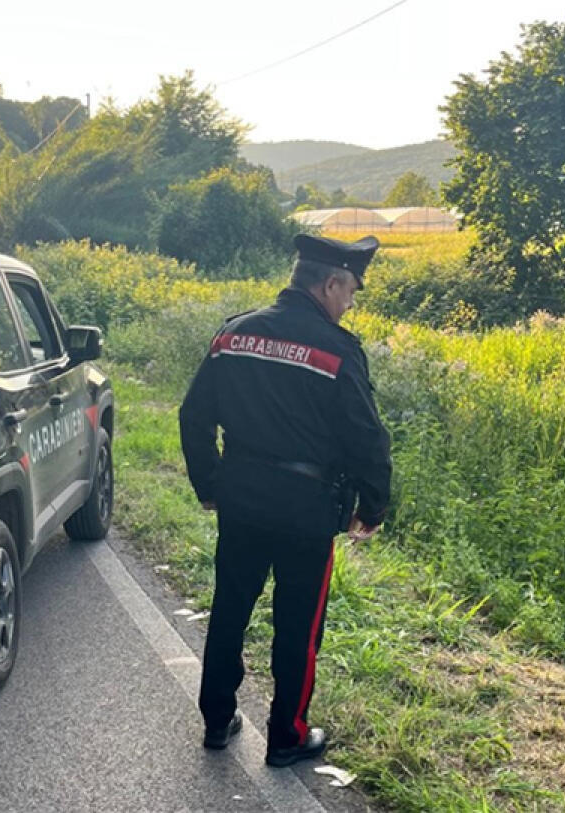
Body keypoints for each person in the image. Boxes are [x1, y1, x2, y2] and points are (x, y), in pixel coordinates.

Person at [178, 233, 392, 767]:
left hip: (242, 499)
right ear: (331, 282)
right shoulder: (337, 350)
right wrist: (374, 506)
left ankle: (215, 720)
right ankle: (286, 736)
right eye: (350, 292)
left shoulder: (234, 335)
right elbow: (367, 438)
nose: (349, 304)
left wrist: (209, 485)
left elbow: (193, 416)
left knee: (230, 609)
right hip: (308, 510)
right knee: (298, 627)